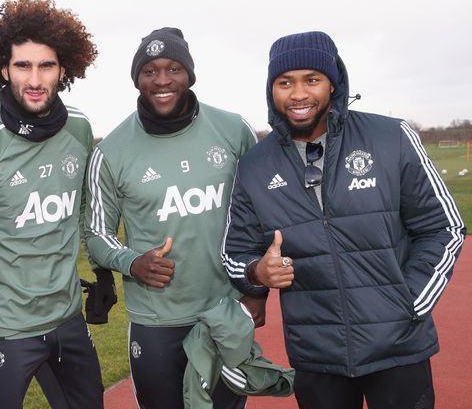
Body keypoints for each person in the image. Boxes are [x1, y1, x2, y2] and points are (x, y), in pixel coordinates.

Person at [222, 31, 466, 409]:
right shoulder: (255, 166)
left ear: (333, 83)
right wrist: (257, 271)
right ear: (271, 90)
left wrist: (410, 304)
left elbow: (444, 227)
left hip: (399, 349)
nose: (298, 94)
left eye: (312, 80)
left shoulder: (391, 137)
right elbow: (234, 252)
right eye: (285, 82)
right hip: (317, 357)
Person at [0, 0, 105, 408]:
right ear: (2, 68)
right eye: (22, 65)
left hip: (67, 319)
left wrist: (102, 273)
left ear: (63, 69)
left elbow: (83, 213)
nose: (35, 79)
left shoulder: (79, 128)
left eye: (46, 65)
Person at [83, 27, 259, 409]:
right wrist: (132, 262)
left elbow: (260, 214)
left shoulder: (233, 130)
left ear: (189, 75)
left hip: (225, 311)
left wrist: (255, 291)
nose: (162, 80)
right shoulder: (111, 151)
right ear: (137, 79)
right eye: (150, 71)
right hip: (156, 322)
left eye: (173, 69)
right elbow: (96, 233)